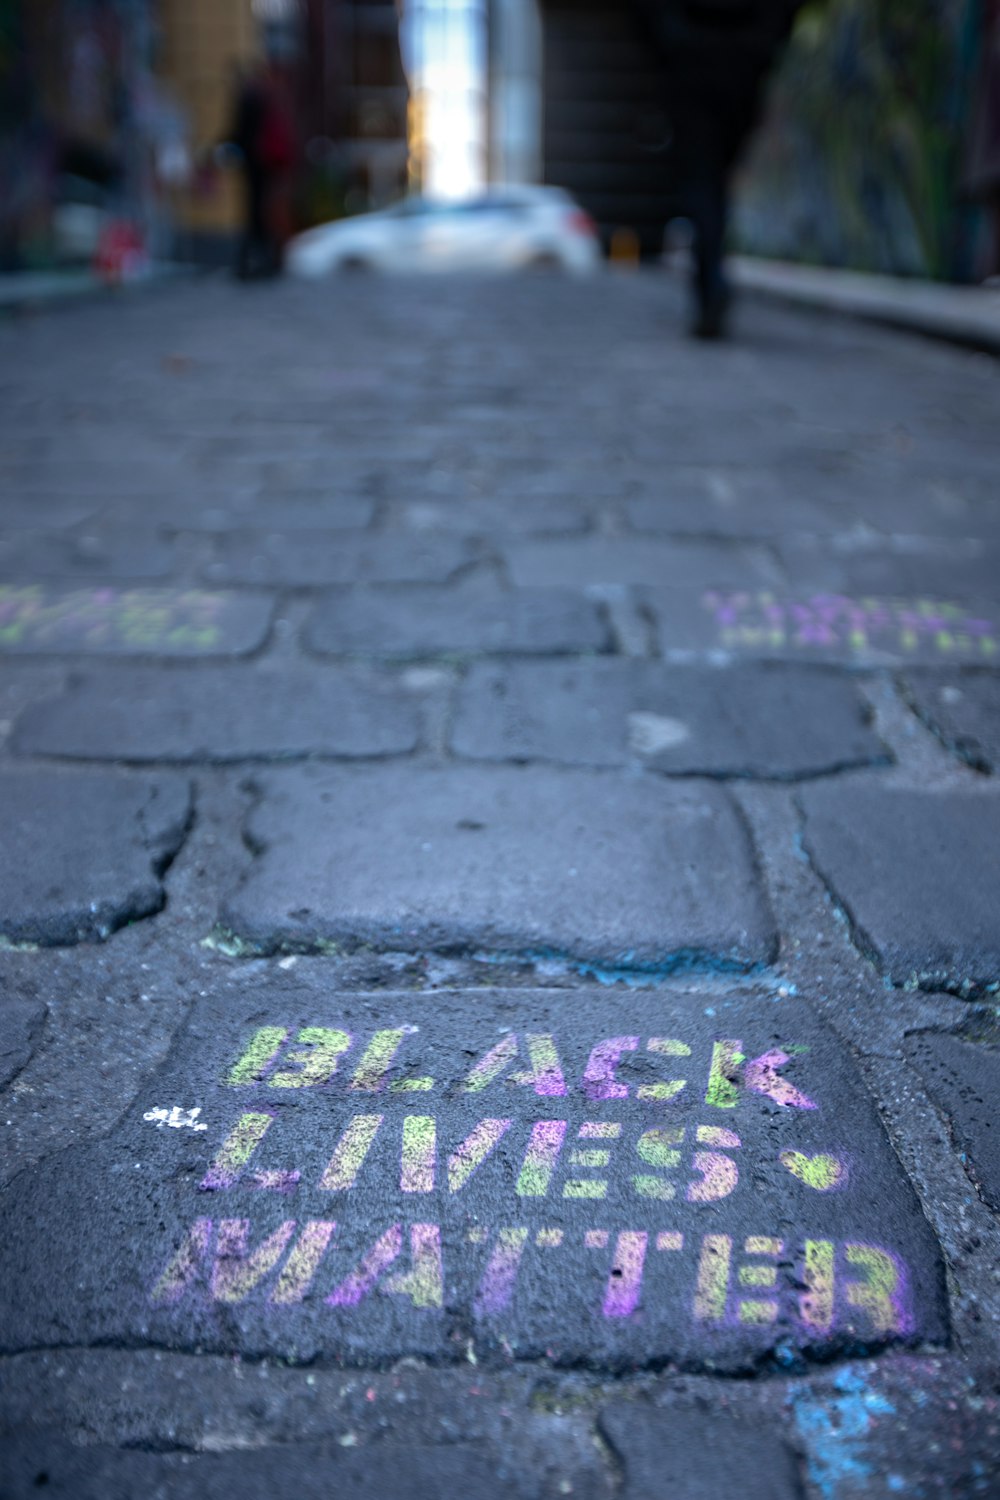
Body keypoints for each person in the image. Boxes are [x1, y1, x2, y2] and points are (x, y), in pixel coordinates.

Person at [636, 0, 801, 337]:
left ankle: (710, 279)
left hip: (704, 57)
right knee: (710, 178)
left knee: (704, 178)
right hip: (733, 57)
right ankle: (711, 277)